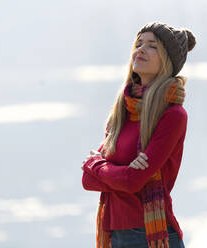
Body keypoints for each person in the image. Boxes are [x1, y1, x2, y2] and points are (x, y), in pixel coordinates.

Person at [81, 21, 196, 248]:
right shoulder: (122, 112)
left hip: (151, 235)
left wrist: (96, 164)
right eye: (139, 43)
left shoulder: (172, 115)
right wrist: (111, 170)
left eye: (152, 46)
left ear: (167, 60)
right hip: (115, 236)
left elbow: (133, 181)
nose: (141, 49)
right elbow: (87, 181)